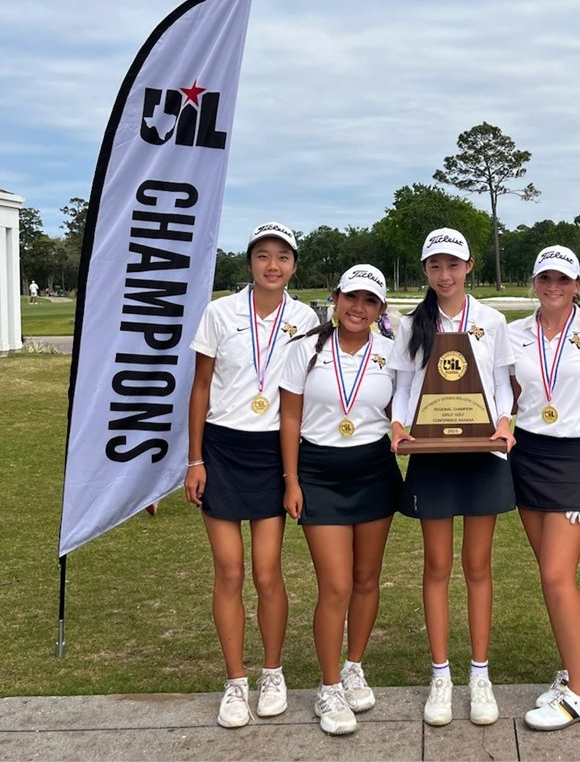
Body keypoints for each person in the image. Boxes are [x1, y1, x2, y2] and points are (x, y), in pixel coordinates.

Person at [183, 222, 319, 729]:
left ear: (294, 265)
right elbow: (199, 388)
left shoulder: (304, 318)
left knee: (266, 571)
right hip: (221, 448)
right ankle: (235, 681)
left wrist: (293, 475)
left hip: (274, 450)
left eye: (283, 257)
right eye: (263, 256)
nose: (272, 265)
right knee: (230, 570)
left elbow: (307, 390)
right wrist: (194, 460)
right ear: (249, 264)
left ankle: (273, 672)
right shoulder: (220, 313)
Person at [389, 228, 516, 728]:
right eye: (435, 266)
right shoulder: (411, 324)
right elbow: (402, 387)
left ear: (469, 267)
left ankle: (478, 674)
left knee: (478, 565)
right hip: (432, 454)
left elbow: (503, 387)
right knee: (438, 565)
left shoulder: (492, 320)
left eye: (453, 265)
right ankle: (440, 675)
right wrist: (399, 424)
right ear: (425, 271)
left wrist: (504, 423)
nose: (445, 275)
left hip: (483, 453)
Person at [507, 246, 580, 730]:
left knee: (558, 575)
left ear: (577, 284)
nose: (553, 286)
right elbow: (506, 396)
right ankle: (570, 672)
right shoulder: (514, 333)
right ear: (534, 281)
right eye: (544, 278)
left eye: (563, 279)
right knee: (549, 575)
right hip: (528, 456)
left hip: (579, 460)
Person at [279, 264, 401, 735]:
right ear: (336, 298)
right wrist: (292, 481)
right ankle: (328, 689)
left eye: (370, 301)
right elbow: (290, 419)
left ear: (380, 309)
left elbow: (400, 412)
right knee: (336, 585)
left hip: (374, 471)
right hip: (319, 473)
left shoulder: (391, 353)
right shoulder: (305, 350)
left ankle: (354, 665)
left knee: (368, 579)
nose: (358, 308)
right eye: (351, 297)